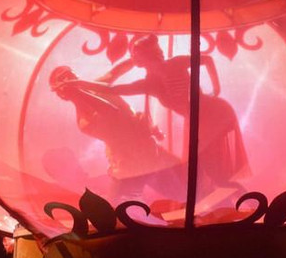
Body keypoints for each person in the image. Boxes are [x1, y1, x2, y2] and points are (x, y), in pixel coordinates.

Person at [60, 35, 251, 190]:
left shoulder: (173, 64)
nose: (134, 59)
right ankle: (230, 201)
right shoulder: (150, 83)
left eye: (136, 56)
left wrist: (216, 88)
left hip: (213, 115)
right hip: (198, 120)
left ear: (143, 57)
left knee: (208, 172)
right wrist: (79, 84)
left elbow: (207, 59)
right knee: (204, 173)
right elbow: (113, 89)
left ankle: (239, 201)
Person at [49, 65, 184, 199]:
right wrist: (78, 92)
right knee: (119, 208)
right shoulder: (85, 121)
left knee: (187, 182)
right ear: (62, 93)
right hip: (131, 167)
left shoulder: (97, 87)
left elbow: (115, 72)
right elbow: (112, 113)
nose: (70, 78)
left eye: (71, 74)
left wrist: (137, 59)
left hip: (151, 151)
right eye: (64, 78)